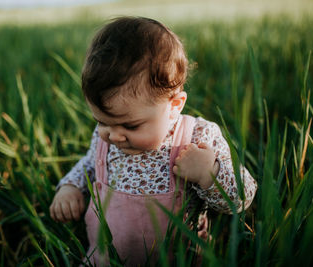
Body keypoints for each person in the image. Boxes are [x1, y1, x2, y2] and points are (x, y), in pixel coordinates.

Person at [50, 16, 257, 266]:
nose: (113, 135)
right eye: (102, 121)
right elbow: (90, 164)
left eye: (131, 125)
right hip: (105, 259)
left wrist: (209, 172)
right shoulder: (106, 138)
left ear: (174, 106)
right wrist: (70, 187)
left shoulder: (197, 137)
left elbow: (242, 198)